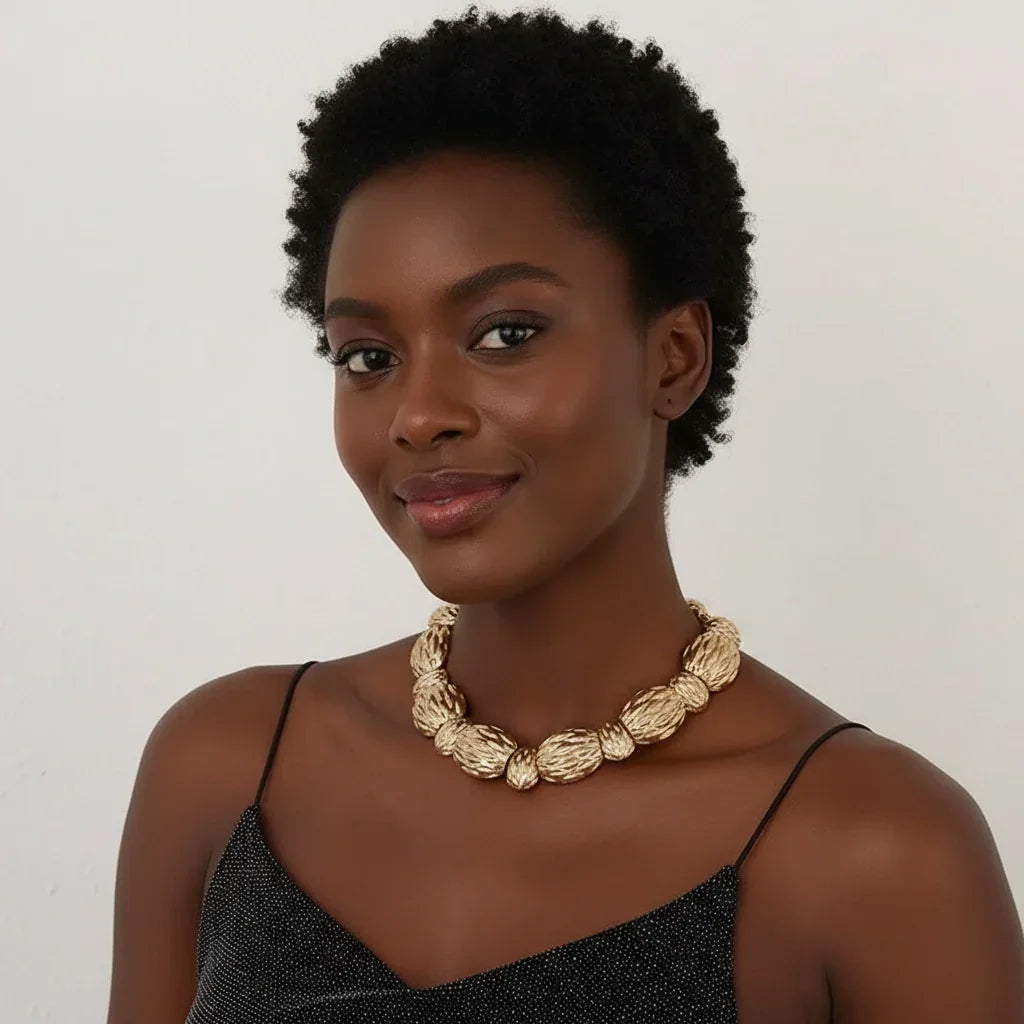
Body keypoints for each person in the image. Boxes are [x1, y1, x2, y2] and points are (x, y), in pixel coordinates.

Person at [105, 5, 1023, 1022]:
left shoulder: (875, 850)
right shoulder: (228, 768)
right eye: (368, 355)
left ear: (673, 357)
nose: (418, 415)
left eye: (505, 333)